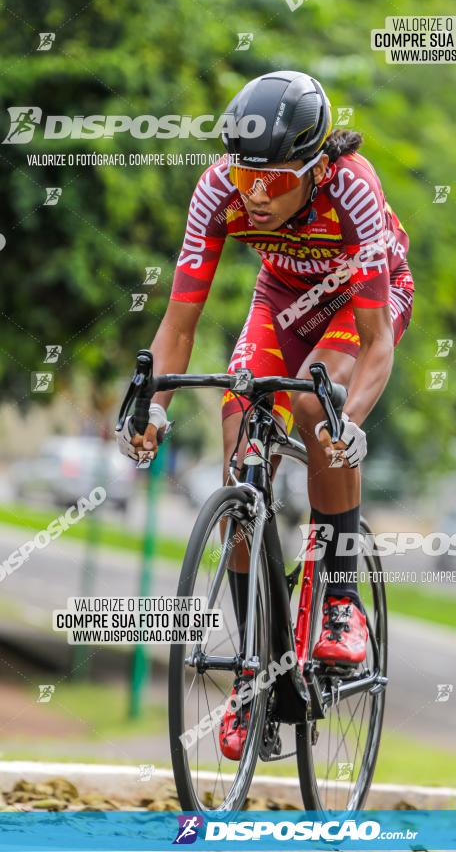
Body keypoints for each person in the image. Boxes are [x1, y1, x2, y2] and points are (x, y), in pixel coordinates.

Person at [117, 70, 414, 760]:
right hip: (279, 298)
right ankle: (256, 663)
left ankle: (340, 599)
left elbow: (374, 349)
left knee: (317, 404)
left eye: (275, 183)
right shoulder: (220, 187)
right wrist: (153, 407)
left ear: (316, 168)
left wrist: (349, 425)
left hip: (363, 300)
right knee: (234, 421)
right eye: (247, 178)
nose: (256, 197)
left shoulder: (354, 190)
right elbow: (179, 324)